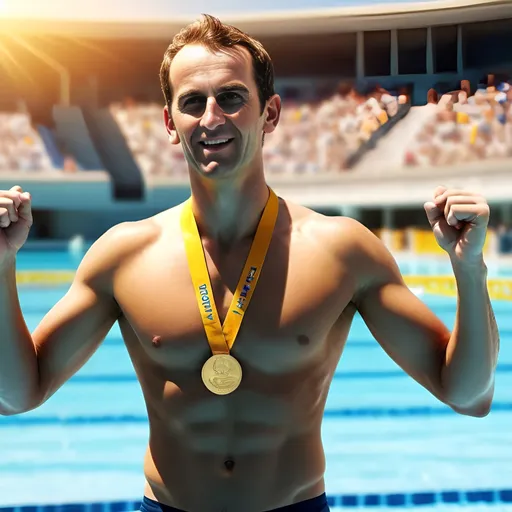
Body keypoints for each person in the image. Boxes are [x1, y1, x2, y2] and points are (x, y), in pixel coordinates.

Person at [0, 14, 499, 512]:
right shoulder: (124, 253)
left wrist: (469, 269)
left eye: (232, 97)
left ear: (271, 113)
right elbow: (20, 393)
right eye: (193, 102)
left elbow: (468, 395)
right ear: (171, 123)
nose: (212, 118)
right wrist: (2, 264)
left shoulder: (341, 249)